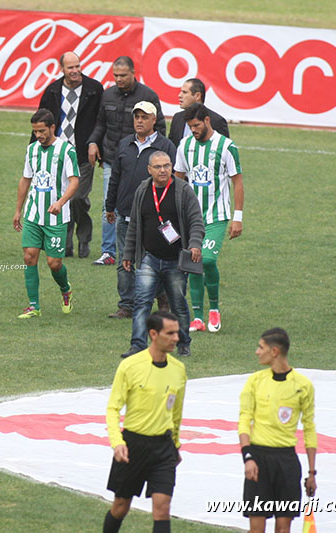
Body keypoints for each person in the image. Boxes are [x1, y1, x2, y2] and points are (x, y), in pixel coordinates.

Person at [104, 311, 187, 533]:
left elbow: (176, 412)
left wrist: (176, 445)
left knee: (162, 508)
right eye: (170, 333)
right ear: (153, 334)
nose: (176, 338)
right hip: (133, 447)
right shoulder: (130, 366)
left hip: (163, 449)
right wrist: (117, 442)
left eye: (177, 333)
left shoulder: (179, 370)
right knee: (121, 507)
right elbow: (113, 408)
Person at [121, 151, 203, 358]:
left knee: (178, 303)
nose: (163, 170)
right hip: (149, 257)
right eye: (158, 167)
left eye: (167, 165)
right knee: (141, 302)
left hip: (175, 259)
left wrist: (194, 244)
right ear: (149, 170)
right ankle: (138, 345)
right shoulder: (142, 190)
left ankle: (183, 343)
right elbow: (135, 226)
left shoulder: (183, 190)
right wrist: (128, 254)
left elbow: (196, 221)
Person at [174, 103, 244, 333]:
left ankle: (214, 308)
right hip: (192, 217)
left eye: (196, 125)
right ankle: (197, 317)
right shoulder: (184, 146)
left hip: (217, 215)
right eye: (190, 126)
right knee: (193, 263)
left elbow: (237, 182)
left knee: (207, 260)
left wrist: (238, 217)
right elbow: (179, 178)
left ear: (206, 120)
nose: (193, 130)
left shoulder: (226, 146)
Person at [88, 56, 166, 267]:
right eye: (115, 76)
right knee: (108, 205)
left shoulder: (148, 95)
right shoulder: (108, 95)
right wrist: (93, 142)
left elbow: (160, 127)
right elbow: (100, 124)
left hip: (141, 160)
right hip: (113, 157)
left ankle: (145, 248)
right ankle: (108, 251)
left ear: (133, 73)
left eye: (123, 75)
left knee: (146, 203)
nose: (119, 79)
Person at [239, 328, 317, 533]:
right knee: (256, 529)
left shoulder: (303, 386)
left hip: (286, 462)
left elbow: (309, 428)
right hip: (258, 459)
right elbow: (244, 419)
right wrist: (247, 457)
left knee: (283, 529)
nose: (257, 352)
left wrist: (311, 473)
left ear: (274, 352)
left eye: (260, 347)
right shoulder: (255, 382)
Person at [106, 101, 176, 320]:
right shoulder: (125, 144)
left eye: (144, 117)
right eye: (136, 116)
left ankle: (162, 298)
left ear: (154, 120)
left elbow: (173, 181)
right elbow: (115, 177)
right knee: (124, 262)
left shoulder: (166, 147)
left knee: (152, 261)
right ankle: (127, 305)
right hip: (125, 212)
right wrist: (110, 206)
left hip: (153, 216)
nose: (139, 120)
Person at [34, 51, 103, 258]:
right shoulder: (53, 91)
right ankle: (65, 244)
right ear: (62, 69)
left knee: (78, 198)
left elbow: (102, 121)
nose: (75, 71)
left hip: (83, 156)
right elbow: (39, 122)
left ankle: (83, 239)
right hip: (57, 156)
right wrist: (35, 152)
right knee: (60, 199)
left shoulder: (94, 89)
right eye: (71, 67)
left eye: (78, 66)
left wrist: (96, 144)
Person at [13, 108, 79, 318]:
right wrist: (18, 210)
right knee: (29, 256)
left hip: (56, 218)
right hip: (33, 215)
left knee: (54, 263)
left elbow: (75, 180)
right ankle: (34, 306)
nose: (39, 136)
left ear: (52, 127)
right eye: (35, 132)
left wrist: (60, 202)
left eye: (42, 131)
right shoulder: (31, 150)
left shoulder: (66, 151)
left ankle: (65, 289)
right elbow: (26, 179)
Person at [167, 78, 229, 148]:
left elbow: (223, 149)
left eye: (184, 92)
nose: (180, 95)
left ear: (197, 96)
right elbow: (171, 147)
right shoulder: (177, 118)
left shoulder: (217, 121)